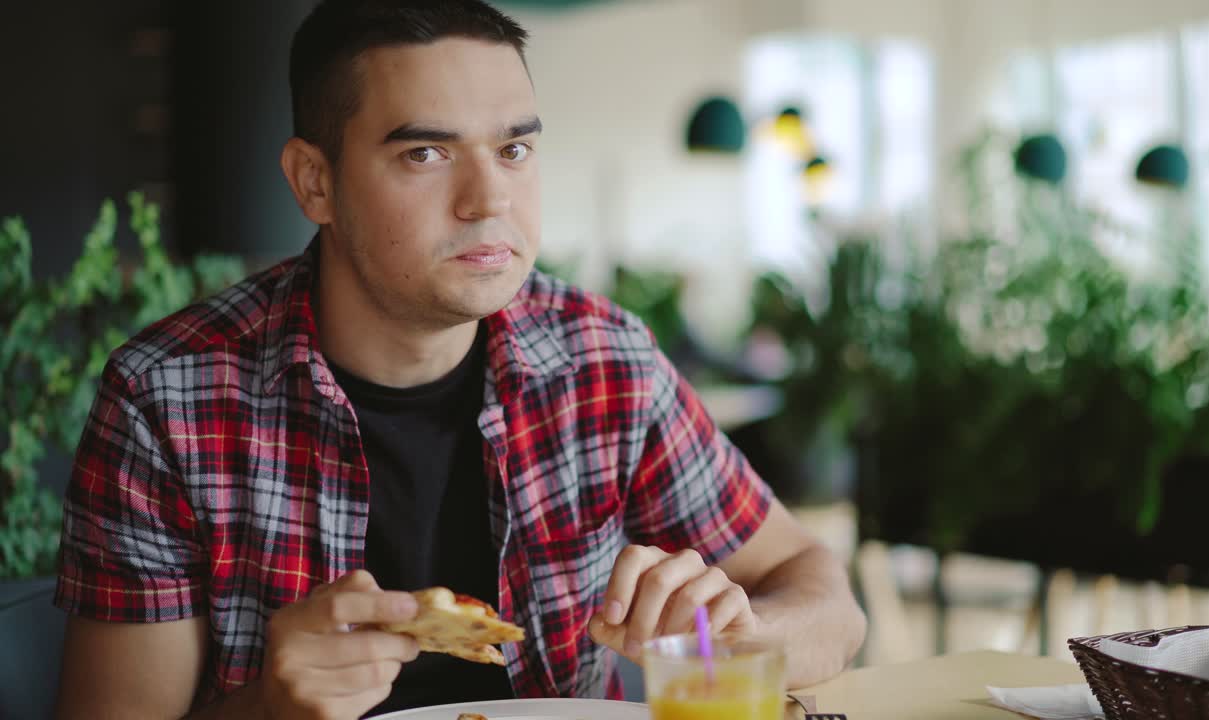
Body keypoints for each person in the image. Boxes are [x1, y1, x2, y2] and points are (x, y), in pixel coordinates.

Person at [52, 1, 866, 717]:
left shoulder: (603, 362)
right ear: (314, 183)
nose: (489, 200)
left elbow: (825, 597)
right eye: (426, 154)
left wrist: (736, 634)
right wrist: (269, 708)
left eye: (514, 150)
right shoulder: (167, 400)